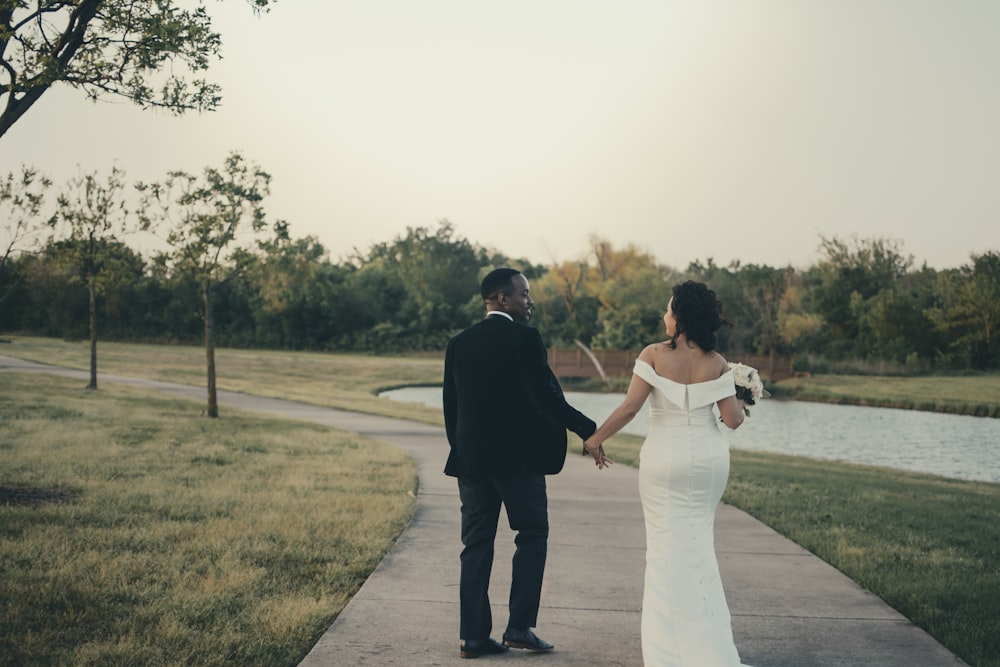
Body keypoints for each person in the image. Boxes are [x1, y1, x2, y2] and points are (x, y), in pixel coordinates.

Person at [583, 280, 751, 667]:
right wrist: (742, 397)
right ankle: (711, 646)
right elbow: (732, 420)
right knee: (698, 546)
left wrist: (595, 440)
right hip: (708, 459)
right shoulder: (718, 362)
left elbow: (629, 408)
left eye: (668, 308)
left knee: (664, 549)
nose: (664, 314)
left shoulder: (654, 354)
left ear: (679, 318)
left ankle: (669, 650)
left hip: (664, 460)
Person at [443, 267, 597, 659]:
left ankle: (473, 638)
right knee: (532, 535)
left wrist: (465, 450)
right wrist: (588, 429)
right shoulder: (525, 338)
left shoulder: (459, 342)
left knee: (474, 545)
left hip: (472, 464)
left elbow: (452, 409)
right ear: (501, 299)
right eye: (524, 294)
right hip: (519, 465)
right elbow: (546, 398)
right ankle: (519, 628)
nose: (530, 301)